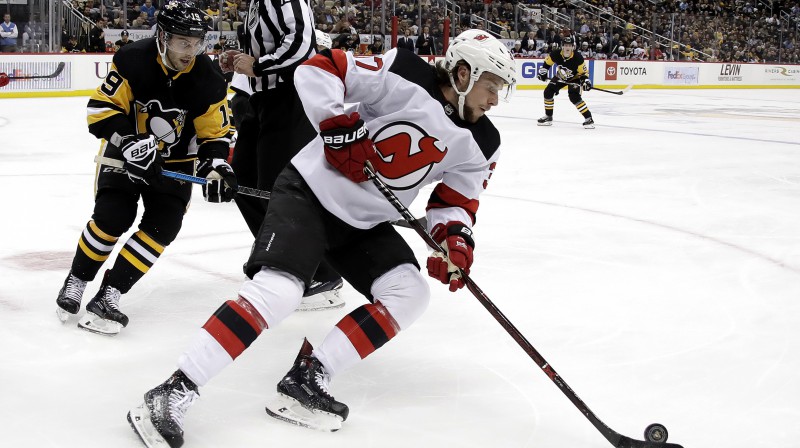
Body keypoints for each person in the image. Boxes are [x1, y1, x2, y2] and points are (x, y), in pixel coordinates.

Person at [127, 29, 516, 447]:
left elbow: (455, 201)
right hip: (310, 192)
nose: (495, 100)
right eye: (491, 87)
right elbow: (320, 69)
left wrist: (453, 241)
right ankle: (172, 389)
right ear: (462, 73)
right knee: (279, 290)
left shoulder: (484, 142)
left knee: (409, 292)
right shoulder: (403, 71)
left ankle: (308, 377)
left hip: (365, 222)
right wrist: (337, 127)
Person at [54, 0, 236, 336]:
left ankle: (110, 294)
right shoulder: (132, 59)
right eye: (184, 42)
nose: (191, 51)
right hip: (124, 155)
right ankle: (77, 279)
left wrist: (216, 167)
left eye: (197, 43)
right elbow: (101, 110)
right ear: (163, 36)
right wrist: (127, 142)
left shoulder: (208, 79)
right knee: (112, 218)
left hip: (174, 163)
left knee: (162, 227)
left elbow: (216, 134)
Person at [219, 0, 345, 309]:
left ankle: (320, 274)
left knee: (279, 188)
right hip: (261, 99)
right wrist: (239, 58)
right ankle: (278, 259)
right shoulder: (256, 4)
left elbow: (301, 43)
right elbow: (268, 49)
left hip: (289, 97)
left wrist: (257, 65)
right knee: (243, 182)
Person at [536, 35, 594, 129]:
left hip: (575, 78)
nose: (567, 47)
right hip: (561, 76)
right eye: (566, 45)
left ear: (572, 47)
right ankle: (548, 117)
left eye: (569, 45)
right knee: (548, 92)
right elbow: (546, 64)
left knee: (574, 97)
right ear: (562, 46)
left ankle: (589, 119)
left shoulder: (578, 57)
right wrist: (543, 72)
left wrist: (585, 81)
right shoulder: (555, 54)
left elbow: (583, 73)